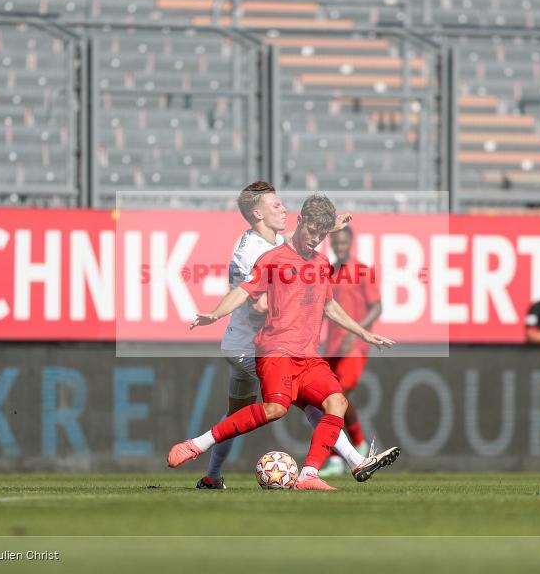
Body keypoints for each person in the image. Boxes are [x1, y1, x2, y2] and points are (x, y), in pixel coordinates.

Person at [170, 195, 396, 491]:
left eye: (321, 233)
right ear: (299, 221)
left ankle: (309, 475)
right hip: (275, 351)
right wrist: (215, 313)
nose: (315, 239)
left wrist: (363, 333)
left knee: (337, 402)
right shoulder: (273, 259)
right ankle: (196, 444)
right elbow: (244, 291)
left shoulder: (321, 262)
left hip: (309, 358)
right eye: (311, 230)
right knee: (277, 408)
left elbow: (329, 305)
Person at [319, 226, 381, 477]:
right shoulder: (327, 271)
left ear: (351, 242)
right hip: (332, 346)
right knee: (331, 399)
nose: (340, 246)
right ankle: (358, 441)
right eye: (336, 242)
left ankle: (335, 459)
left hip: (354, 347)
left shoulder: (363, 271)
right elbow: (323, 308)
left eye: (344, 242)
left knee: (337, 397)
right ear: (332, 243)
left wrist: (357, 332)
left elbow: (377, 307)